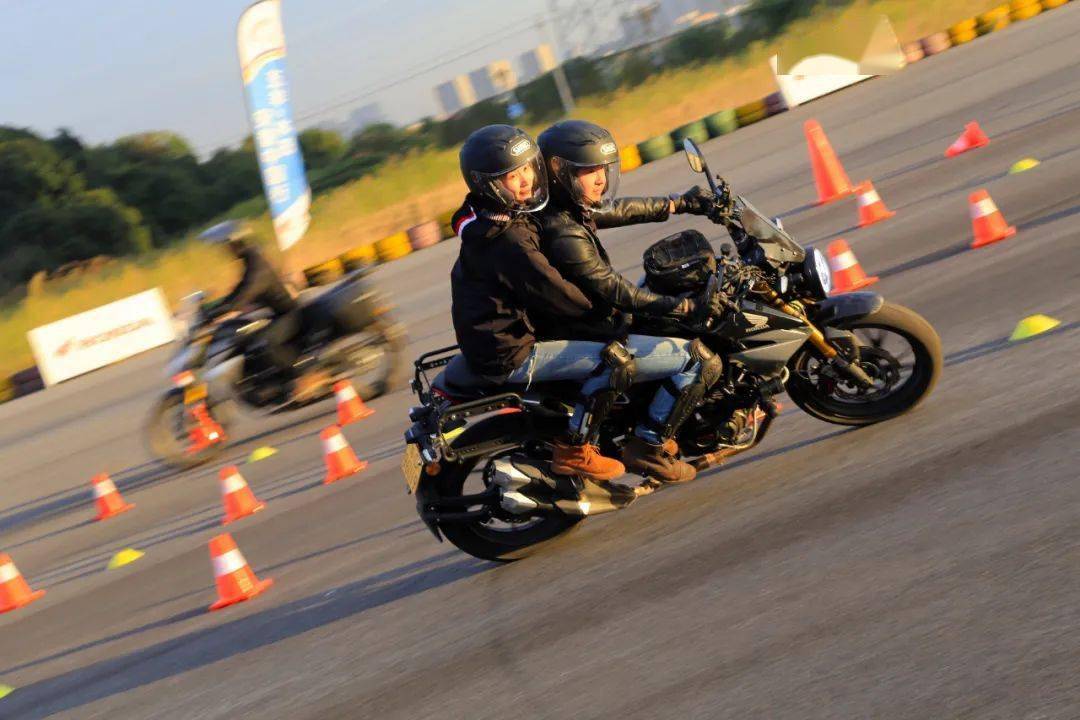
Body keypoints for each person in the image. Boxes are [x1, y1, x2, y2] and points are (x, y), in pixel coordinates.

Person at [450, 124, 645, 484]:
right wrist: (612, 309)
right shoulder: (505, 240)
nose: (526, 180)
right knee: (615, 359)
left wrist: (674, 204)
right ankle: (575, 450)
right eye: (513, 175)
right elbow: (554, 291)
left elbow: (596, 214)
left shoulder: (497, 215)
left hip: (505, 333)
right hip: (509, 351)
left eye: (527, 168)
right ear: (487, 184)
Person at [536, 119, 723, 485]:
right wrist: (682, 307)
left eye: (602, 169)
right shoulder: (562, 232)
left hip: (588, 320)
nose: (600, 179)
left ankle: (661, 422)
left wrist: (678, 203)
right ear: (559, 172)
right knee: (701, 360)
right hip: (591, 329)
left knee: (658, 318)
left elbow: (619, 209)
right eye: (589, 171)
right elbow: (615, 290)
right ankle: (648, 446)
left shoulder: (565, 209)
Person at [199, 221, 316, 397]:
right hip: (277, 314)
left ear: (236, 243)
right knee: (247, 338)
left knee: (263, 343)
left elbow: (244, 294)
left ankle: (302, 376)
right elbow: (238, 291)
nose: (227, 251)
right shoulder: (251, 260)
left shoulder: (257, 266)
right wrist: (211, 308)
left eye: (228, 247)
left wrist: (214, 313)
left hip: (290, 313)